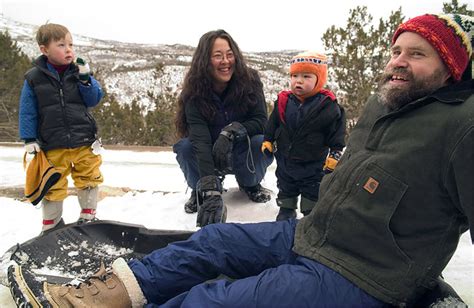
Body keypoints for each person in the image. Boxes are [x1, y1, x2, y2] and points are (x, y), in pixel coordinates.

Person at [40, 13, 473, 307]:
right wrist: (208, 185)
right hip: (315, 235)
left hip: (366, 273)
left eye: (417, 54)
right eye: (397, 51)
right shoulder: (390, 103)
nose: (398, 62)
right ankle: (101, 296)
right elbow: (198, 137)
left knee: (217, 299)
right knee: (212, 243)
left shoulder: (463, 127)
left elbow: (260, 125)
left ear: (452, 64)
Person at [172, 29, 274, 227]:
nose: (225, 61)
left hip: (241, 150)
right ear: (205, 60)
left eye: (229, 54)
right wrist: (209, 188)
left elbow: (261, 121)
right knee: (185, 147)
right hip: (209, 153)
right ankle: (200, 188)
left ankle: (250, 183)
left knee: (260, 142)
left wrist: (232, 131)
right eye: (217, 56)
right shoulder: (194, 91)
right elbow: (198, 138)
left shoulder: (250, 81)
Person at [18, 23, 104, 233]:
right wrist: (29, 138)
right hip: (52, 142)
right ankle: (52, 223)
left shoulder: (78, 73)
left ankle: (88, 214)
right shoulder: (33, 78)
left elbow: (94, 99)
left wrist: (86, 80)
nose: (69, 49)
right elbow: (27, 110)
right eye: (61, 44)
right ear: (44, 49)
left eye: (71, 44)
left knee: (89, 176)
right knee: (52, 183)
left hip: (83, 139)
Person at [262, 51, 346, 221]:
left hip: (313, 163)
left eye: (306, 76)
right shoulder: (284, 101)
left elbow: (337, 131)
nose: (298, 81)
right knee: (286, 186)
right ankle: (286, 209)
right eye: (294, 76)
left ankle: (310, 214)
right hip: (286, 160)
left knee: (312, 190)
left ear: (319, 79)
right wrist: (268, 139)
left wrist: (335, 153)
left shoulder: (327, 106)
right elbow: (273, 122)